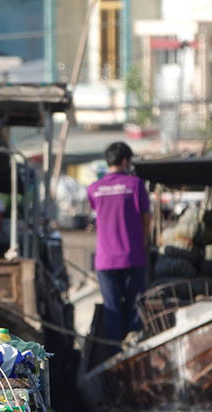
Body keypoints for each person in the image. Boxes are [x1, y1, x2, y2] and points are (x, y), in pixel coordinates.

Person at [86, 141, 151, 352]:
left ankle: (115, 358)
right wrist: (143, 243)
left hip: (105, 261)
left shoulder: (94, 189)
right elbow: (146, 220)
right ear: (125, 161)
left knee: (112, 310)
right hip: (132, 257)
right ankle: (135, 353)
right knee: (134, 309)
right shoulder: (135, 185)